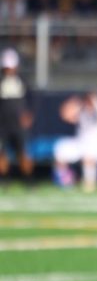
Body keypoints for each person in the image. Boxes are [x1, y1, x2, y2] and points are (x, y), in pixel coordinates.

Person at [54, 90, 97, 193]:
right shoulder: (82, 108)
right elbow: (65, 115)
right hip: (81, 144)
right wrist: (73, 104)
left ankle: (90, 184)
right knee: (61, 148)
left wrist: (96, 104)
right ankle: (66, 182)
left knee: (89, 155)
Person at [0, 48, 34, 186]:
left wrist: (28, 115)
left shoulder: (22, 81)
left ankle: (28, 179)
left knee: (23, 151)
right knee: (2, 152)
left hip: (18, 124)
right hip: (2, 123)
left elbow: (32, 99)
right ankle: (4, 179)